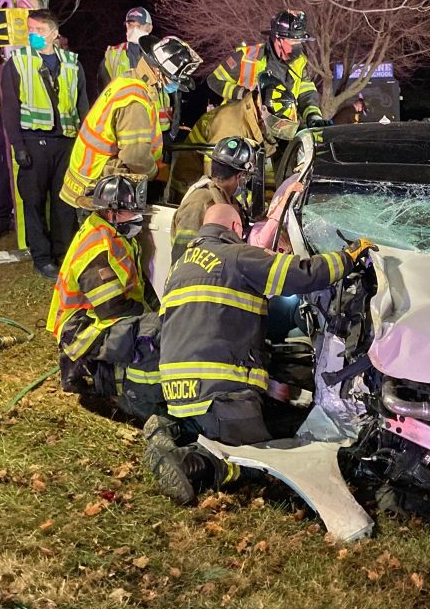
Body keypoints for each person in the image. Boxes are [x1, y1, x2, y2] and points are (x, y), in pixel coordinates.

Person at [142, 202, 376, 504]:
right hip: (220, 392)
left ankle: (172, 430)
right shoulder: (236, 255)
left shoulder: (179, 267)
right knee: (259, 462)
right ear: (237, 229)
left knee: (241, 422)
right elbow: (300, 274)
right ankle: (192, 464)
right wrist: (347, 257)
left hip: (178, 391)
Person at [46, 174, 164, 422]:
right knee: (150, 337)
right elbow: (112, 308)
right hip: (81, 331)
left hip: (93, 321)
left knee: (155, 326)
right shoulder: (97, 248)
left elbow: (138, 284)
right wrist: (150, 319)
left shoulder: (112, 233)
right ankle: (139, 404)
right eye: (130, 212)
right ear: (111, 213)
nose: (137, 217)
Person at [60, 34, 201, 210]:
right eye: (174, 80)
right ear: (158, 72)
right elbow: (134, 156)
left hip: (89, 179)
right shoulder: (135, 99)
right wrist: (155, 173)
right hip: (98, 188)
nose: (173, 87)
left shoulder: (128, 81)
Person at [0, 9, 89, 279]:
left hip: (66, 142)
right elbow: (10, 108)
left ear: (54, 33)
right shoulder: (18, 62)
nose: (33, 35)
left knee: (65, 202)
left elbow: (82, 104)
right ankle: (41, 256)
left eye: (39, 30)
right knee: (34, 202)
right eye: (30, 30)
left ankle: (65, 254)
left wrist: (85, 143)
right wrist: (18, 146)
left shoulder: (73, 63)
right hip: (33, 140)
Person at [166, 72, 298, 202]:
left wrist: (270, 197)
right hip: (193, 192)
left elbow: (263, 165)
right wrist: (255, 203)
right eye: (276, 123)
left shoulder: (254, 123)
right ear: (262, 110)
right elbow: (219, 180)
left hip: (216, 188)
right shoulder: (231, 127)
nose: (277, 129)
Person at [0, 0, 44, 244]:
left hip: (38, 113)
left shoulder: (44, 39)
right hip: (9, 110)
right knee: (3, 167)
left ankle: (33, 221)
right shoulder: (6, 34)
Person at [207, 10, 327, 127]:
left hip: (281, 130)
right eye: (293, 41)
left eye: (300, 41)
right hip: (241, 127)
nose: (298, 46)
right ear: (278, 39)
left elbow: (306, 92)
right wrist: (242, 94)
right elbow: (214, 80)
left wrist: (313, 116)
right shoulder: (247, 57)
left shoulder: (299, 62)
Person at [169, 136, 257, 263]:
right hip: (197, 280)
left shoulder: (227, 199)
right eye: (247, 177)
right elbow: (181, 256)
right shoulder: (200, 203)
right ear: (240, 177)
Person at [98, 7, 178, 137]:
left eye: (139, 26)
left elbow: (175, 93)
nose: (134, 30)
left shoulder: (162, 55)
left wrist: (173, 131)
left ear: (149, 28)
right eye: (130, 25)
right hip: (124, 122)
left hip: (157, 126)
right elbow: (103, 90)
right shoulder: (113, 55)